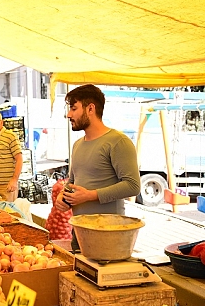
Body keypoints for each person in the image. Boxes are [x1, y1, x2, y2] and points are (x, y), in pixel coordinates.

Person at [54, 84, 141, 251]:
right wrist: (64, 196)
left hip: (108, 234)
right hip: (79, 232)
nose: (68, 115)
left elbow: (133, 185)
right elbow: (73, 182)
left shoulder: (118, 142)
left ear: (90, 109)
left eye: (74, 108)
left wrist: (90, 195)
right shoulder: (77, 144)